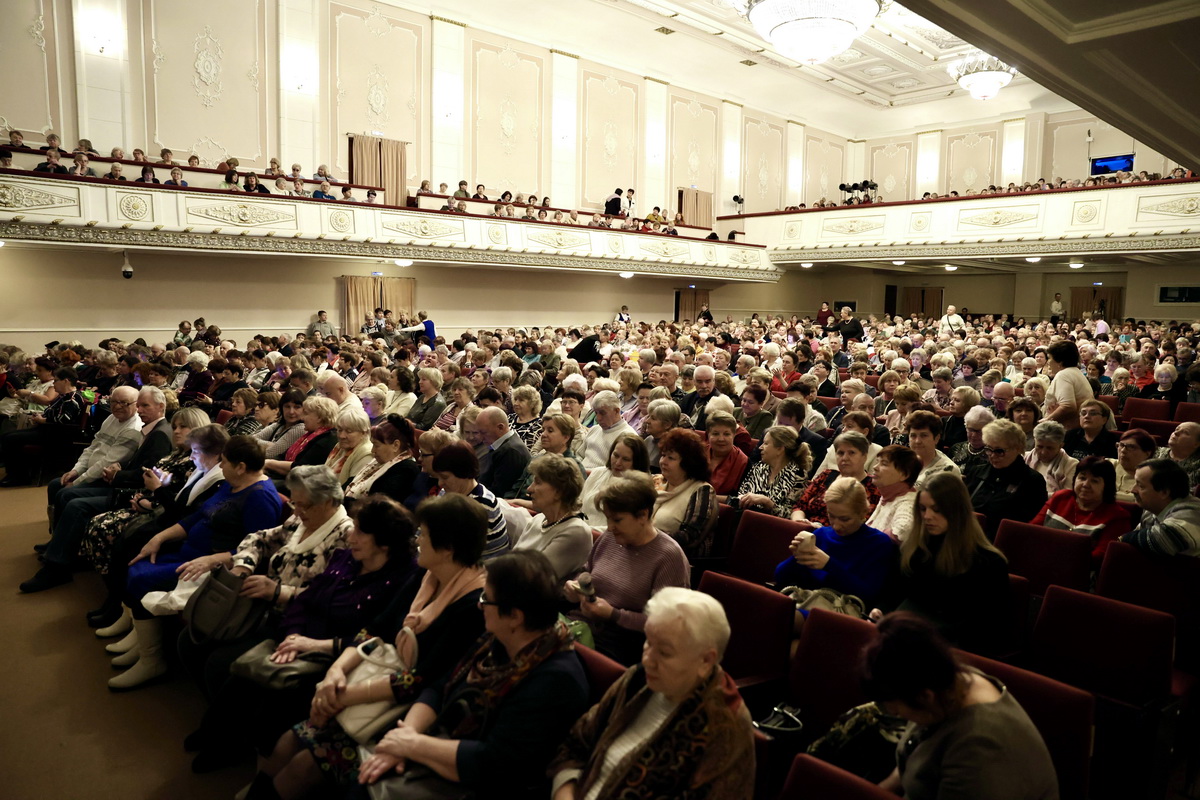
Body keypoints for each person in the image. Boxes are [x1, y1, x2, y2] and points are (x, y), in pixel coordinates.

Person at [247, 493, 486, 794]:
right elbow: (376, 628)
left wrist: (341, 695)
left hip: (404, 710)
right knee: (283, 744)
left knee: (301, 767)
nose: (417, 541)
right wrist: (335, 673)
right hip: (374, 680)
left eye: (423, 535)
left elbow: (423, 680)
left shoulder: (472, 607)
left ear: (448, 547)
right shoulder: (428, 575)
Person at [348, 551, 589, 798]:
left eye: (487, 598)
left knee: (362, 783)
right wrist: (405, 736)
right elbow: (440, 687)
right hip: (443, 750)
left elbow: (494, 763)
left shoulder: (555, 681)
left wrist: (411, 745)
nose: (479, 604)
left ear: (515, 616)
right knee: (363, 775)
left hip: (485, 784)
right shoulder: (497, 639)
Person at [549, 587, 755, 800]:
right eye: (648, 642)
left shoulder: (723, 727)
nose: (647, 659)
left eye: (664, 652)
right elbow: (578, 740)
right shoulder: (638, 679)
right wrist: (565, 789)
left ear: (706, 661)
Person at [112, 436, 284, 689]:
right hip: (191, 551)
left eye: (224, 462)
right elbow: (196, 518)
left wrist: (213, 559)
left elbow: (259, 549)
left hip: (211, 564)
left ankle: (152, 660)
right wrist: (160, 537)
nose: (220, 466)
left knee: (142, 576)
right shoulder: (232, 483)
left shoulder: (260, 497)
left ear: (241, 466)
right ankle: (141, 639)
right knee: (137, 559)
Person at [861, 613, 1058, 800]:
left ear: (925, 697)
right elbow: (910, 763)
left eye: (895, 707)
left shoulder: (977, 752)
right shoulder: (947, 681)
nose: (894, 713)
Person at [870, 472, 1010, 655]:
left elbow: (985, 631)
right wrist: (881, 611)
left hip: (949, 652)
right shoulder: (915, 548)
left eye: (936, 509)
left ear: (956, 511)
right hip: (906, 639)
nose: (927, 516)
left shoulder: (988, 563)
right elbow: (894, 593)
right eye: (922, 509)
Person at [566, 473, 690, 664]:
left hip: (618, 645)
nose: (609, 527)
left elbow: (666, 624)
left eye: (617, 520)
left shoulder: (668, 556)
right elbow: (587, 569)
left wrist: (614, 615)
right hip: (580, 625)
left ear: (643, 515)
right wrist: (577, 586)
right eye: (608, 519)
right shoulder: (611, 538)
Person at [775, 477, 897, 620]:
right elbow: (780, 577)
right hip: (807, 603)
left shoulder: (878, 543)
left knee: (779, 617)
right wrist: (797, 556)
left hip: (840, 614)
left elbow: (869, 595)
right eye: (831, 516)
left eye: (845, 519)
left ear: (863, 513)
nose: (837, 525)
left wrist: (829, 565)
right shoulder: (821, 534)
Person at [1031, 456, 1130, 565]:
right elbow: (1032, 530)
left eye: (1095, 481)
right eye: (1082, 478)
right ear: (1074, 480)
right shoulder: (1061, 498)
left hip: (1080, 571)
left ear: (1107, 486)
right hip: (1040, 560)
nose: (1086, 485)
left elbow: (1101, 556)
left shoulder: (1117, 516)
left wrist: (1058, 559)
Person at [962, 419, 1048, 538]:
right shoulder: (977, 471)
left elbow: (1027, 527)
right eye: (988, 449)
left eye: (999, 451)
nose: (992, 456)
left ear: (1018, 448)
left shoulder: (1032, 481)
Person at [512, 454, 591, 580]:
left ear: (559, 492)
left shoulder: (576, 532)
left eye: (537, 482)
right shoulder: (538, 520)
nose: (529, 489)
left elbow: (535, 578)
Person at [431, 441, 510, 560]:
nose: (440, 483)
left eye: (445, 477)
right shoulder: (449, 492)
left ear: (463, 472)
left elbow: (454, 553)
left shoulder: (480, 505)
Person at [792, 431, 880, 529]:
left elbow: (862, 524)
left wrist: (819, 529)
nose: (844, 458)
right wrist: (799, 522)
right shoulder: (826, 475)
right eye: (840, 453)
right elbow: (799, 506)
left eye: (852, 453)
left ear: (864, 456)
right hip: (805, 529)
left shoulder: (874, 486)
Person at [654, 429, 717, 557]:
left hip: (671, 558)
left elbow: (689, 537)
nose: (663, 461)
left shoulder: (701, 490)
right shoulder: (655, 481)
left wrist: (645, 535)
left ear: (688, 463)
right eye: (663, 455)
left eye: (671, 458)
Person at [1122, 459, 1200, 557]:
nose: (1132, 490)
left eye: (1140, 486)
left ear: (1164, 492)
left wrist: (1122, 538)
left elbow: (1164, 541)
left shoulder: (1193, 512)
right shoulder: (1151, 510)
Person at [342, 415, 420, 508]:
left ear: (395, 445)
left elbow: (376, 507)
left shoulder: (406, 470)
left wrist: (338, 499)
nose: (372, 450)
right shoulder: (378, 462)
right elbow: (351, 484)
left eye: (377, 445)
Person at [580, 433, 649, 528]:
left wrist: (585, 531)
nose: (618, 463)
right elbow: (579, 504)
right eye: (616, 455)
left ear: (637, 462)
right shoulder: (597, 473)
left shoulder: (638, 489)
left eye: (625, 459)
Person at [263, 396, 339, 482]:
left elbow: (301, 468)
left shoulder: (328, 439)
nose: (302, 418)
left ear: (320, 417)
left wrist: (269, 463)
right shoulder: (309, 435)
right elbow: (281, 456)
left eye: (306, 413)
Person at [867, 444, 921, 541]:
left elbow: (902, 532)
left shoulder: (908, 502)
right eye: (877, 462)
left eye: (884, 464)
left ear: (904, 475)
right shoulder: (887, 494)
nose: (875, 467)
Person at [1044, 340, 1093, 430]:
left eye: (1050, 358)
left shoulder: (1064, 375)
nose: (1048, 362)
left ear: (1060, 362)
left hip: (1065, 431)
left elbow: (1068, 406)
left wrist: (1045, 421)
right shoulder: (1075, 372)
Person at [1024, 420, 1079, 493]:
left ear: (1061, 446)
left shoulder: (1071, 464)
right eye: (1039, 447)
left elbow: (1066, 495)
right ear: (1035, 441)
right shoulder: (1024, 458)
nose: (1043, 452)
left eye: (1049, 448)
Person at [706, 410, 749, 498]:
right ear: (708, 435)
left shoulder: (744, 463)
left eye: (726, 434)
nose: (721, 439)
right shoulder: (696, 454)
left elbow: (740, 500)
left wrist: (707, 497)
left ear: (734, 435)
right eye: (715, 434)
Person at [1112, 427, 1156, 502]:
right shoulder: (1109, 465)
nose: (1123, 450)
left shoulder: (1152, 477)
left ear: (1147, 453)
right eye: (1121, 445)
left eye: (1131, 447)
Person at [1155, 421, 1200, 492]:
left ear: (1196, 444)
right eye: (1176, 429)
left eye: (1185, 432)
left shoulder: (1198, 465)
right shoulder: (1155, 452)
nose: (1176, 433)